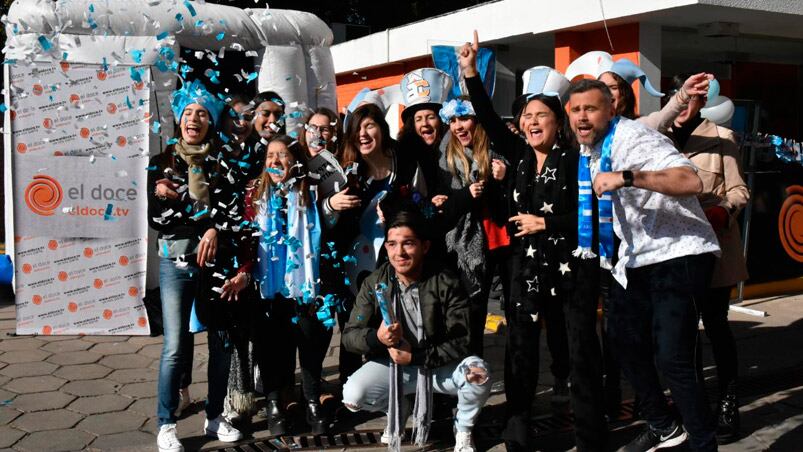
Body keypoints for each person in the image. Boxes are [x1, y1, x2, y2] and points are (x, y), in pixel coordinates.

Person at [459, 31, 607, 451]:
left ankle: (593, 439)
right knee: (519, 355)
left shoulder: (577, 160)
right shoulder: (519, 156)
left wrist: (546, 223)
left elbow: (590, 217)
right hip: (524, 271)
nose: (532, 122)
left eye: (541, 115)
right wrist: (470, 72)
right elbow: (487, 118)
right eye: (527, 116)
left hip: (573, 271)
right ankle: (517, 438)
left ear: (557, 121)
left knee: (580, 356)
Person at [568, 79, 721, 452]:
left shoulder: (635, 138)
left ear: (611, 111)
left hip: (679, 251)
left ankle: (703, 443)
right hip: (635, 259)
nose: (582, 117)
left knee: (672, 356)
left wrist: (629, 177)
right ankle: (663, 425)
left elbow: (691, 180)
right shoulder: (589, 150)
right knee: (622, 340)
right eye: (575, 110)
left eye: (591, 108)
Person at [341, 210, 492, 452]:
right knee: (352, 395)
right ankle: (397, 407)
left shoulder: (444, 279)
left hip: (438, 366)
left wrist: (417, 357)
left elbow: (464, 339)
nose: (399, 253)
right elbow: (349, 336)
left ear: (425, 246)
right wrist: (376, 338)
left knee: (478, 374)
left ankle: (463, 429)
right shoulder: (375, 282)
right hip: (396, 368)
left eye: (408, 243)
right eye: (392, 244)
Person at [149, 79, 242, 452]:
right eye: (188, 112)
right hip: (176, 263)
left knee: (220, 344)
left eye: (202, 113)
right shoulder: (162, 162)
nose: (194, 118)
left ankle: (215, 417)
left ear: (211, 122)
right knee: (174, 345)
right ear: (179, 119)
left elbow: (232, 212)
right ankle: (166, 423)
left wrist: (215, 228)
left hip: (216, 265)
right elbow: (160, 218)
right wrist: (205, 223)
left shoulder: (223, 163)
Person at [221, 134, 332, 435]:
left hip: (304, 283)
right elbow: (246, 238)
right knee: (271, 344)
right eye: (270, 156)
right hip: (266, 285)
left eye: (282, 155)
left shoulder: (309, 190)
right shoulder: (254, 194)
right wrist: (244, 272)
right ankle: (273, 403)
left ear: (295, 161)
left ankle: (310, 400)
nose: (275, 161)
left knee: (308, 339)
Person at [667, 74, 749, 444]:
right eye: (681, 97)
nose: (686, 105)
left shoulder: (723, 139)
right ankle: (692, 408)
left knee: (715, 326)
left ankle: (729, 402)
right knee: (681, 334)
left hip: (715, 249)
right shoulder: (660, 139)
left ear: (703, 103)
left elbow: (738, 190)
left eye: (694, 100)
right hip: (674, 252)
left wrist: (723, 211)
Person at [324, 103, 428, 383]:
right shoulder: (346, 173)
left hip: (396, 259)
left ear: (382, 129)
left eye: (369, 126)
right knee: (354, 322)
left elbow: (423, 207)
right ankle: (350, 385)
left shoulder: (404, 165)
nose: (363, 134)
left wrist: (402, 212)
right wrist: (332, 205)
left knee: (395, 320)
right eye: (357, 129)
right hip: (355, 262)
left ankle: (393, 382)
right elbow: (325, 220)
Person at [435, 95, 510, 357]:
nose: (458, 126)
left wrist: (502, 180)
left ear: (478, 120)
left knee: (505, 312)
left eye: (464, 118)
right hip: (466, 247)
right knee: (471, 311)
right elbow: (446, 209)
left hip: (502, 241)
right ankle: (468, 371)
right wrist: (457, 197)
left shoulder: (498, 150)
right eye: (453, 120)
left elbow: (516, 199)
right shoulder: (446, 157)